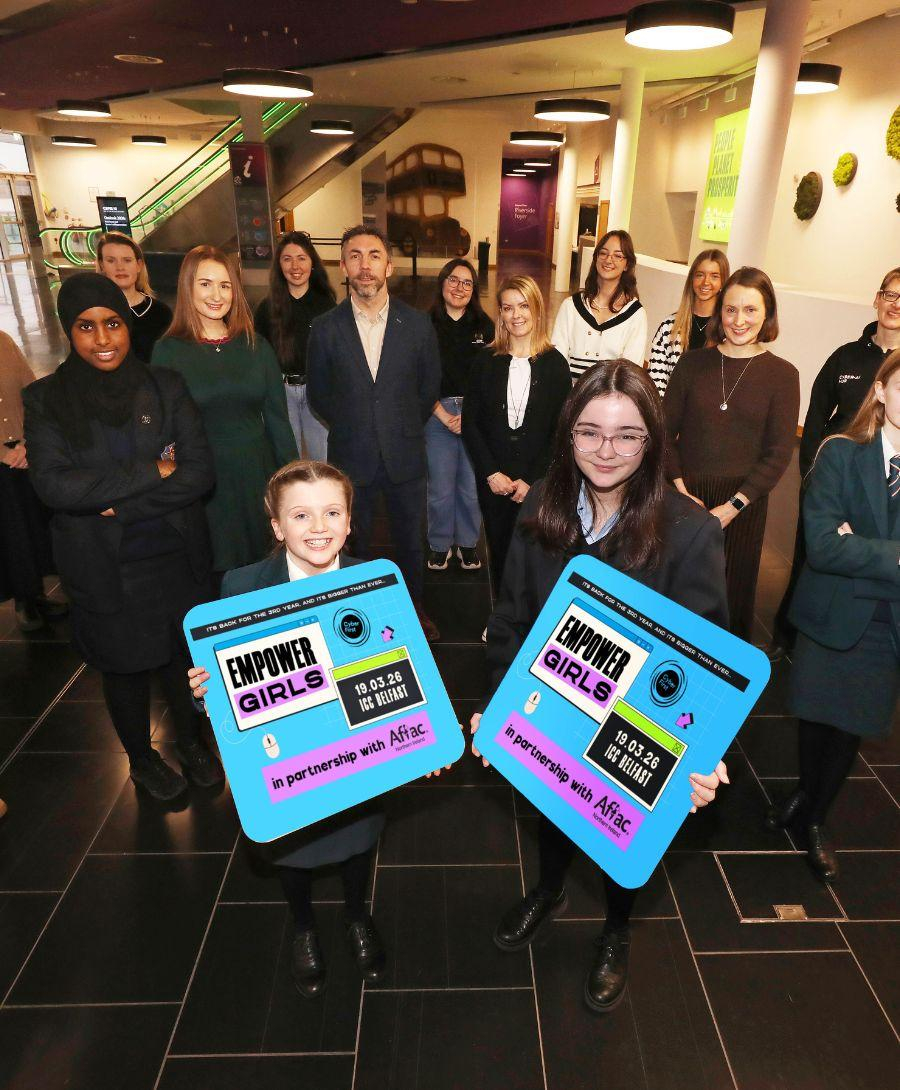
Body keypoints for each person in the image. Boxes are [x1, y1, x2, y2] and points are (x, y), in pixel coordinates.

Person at [470, 360, 729, 1013]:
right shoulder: (538, 507)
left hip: (633, 728)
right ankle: (550, 888)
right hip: (556, 712)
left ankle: (617, 929)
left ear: (652, 441)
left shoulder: (691, 531)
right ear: (568, 435)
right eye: (589, 433)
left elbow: (705, 666)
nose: (606, 452)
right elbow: (511, 622)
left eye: (627, 436)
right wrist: (500, 705)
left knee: (623, 841)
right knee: (555, 812)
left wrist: (704, 755)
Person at [187, 460, 386, 998]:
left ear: (349, 522)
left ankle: (355, 914)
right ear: (276, 526)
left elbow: (400, 673)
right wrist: (206, 693)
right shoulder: (239, 588)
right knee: (292, 850)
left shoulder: (377, 583)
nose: (318, 527)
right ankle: (302, 924)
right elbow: (222, 697)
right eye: (300, 515)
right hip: (284, 760)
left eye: (332, 512)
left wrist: (423, 736)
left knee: (356, 839)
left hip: (356, 751)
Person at [23, 272, 221, 800]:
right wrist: (154, 470)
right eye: (87, 327)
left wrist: (119, 506)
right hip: (102, 566)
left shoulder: (166, 386)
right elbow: (54, 485)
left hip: (175, 554)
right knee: (126, 669)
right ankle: (140, 759)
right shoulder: (44, 401)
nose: (104, 338)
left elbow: (199, 471)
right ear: (70, 332)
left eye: (112, 323)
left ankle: (194, 743)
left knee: (186, 659)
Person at [768, 351, 900, 883]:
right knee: (815, 716)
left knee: (850, 728)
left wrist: (859, 545)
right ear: (883, 390)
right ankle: (804, 791)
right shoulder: (840, 453)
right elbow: (821, 547)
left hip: (886, 624)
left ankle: (817, 818)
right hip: (832, 616)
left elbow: (843, 547)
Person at [307, 225, 441, 641]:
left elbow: (427, 388)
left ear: (389, 264)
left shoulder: (417, 325)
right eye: (355, 256)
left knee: (411, 543)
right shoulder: (325, 328)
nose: (365, 265)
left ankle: (414, 610)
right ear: (343, 265)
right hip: (352, 455)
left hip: (405, 452)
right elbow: (319, 395)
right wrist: (355, 424)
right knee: (354, 544)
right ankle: (358, 621)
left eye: (374, 255)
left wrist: (396, 424)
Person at [769, 266, 900, 658]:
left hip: (884, 487)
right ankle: (787, 634)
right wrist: (813, 478)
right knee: (811, 559)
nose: (896, 304)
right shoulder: (845, 356)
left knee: (866, 559)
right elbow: (815, 422)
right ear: (876, 299)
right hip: (834, 484)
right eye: (890, 294)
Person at [664, 267, 800, 641]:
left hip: (744, 505)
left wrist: (732, 507)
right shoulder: (692, 364)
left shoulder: (783, 375)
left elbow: (776, 454)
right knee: (677, 598)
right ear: (719, 313)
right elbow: (663, 432)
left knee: (730, 599)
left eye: (751, 310)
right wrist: (678, 489)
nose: (739, 320)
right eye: (730, 310)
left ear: (767, 313)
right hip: (685, 497)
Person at [152, 245, 298, 576]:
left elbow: (278, 421)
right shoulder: (168, 351)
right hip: (204, 479)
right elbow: (161, 429)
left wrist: (292, 483)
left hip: (256, 472)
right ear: (188, 287)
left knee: (265, 567)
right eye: (205, 284)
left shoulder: (256, 346)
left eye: (225, 285)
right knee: (216, 570)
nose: (216, 295)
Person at [462, 275, 571, 591]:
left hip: (535, 480)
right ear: (500, 314)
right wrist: (490, 473)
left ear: (537, 309)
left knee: (535, 554)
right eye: (507, 308)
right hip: (494, 479)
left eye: (523, 306)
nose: (516, 315)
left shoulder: (555, 366)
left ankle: (529, 620)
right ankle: (502, 618)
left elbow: (560, 432)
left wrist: (534, 480)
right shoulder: (485, 361)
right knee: (498, 549)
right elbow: (471, 423)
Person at [425, 258, 494, 572]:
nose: (459, 288)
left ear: (474, 290)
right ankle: (439, 544)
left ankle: (467, 544)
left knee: (469, 487)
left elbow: (491, 376)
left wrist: (470, 415)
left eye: (467, 283)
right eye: (453, 280)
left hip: (474, 414)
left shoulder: (485, 326)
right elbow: (416, 377)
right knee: (439, 489)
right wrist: (441, 414)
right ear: (442, 282)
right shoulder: (424, 324)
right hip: (435, 412)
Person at [0, 330, 66, 632]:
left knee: (33, 527)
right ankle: (23, 600)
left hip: (25, 453)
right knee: (10, 534)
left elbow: (31, 390)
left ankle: (37, 593)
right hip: (2, 460)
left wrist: (27, 442)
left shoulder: (4, 339)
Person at [254, 232, 336, 460]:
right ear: (279, 265)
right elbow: (258, 357)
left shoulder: (327, 306)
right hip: (281, 393)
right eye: (287, 259)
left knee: (323, 459)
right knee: (287, 459)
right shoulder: (266, 308)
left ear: (312, 263)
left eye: (301, 258)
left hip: (317, 392)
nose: (295, 266)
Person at [551, 229, 647, 382]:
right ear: (595, 258)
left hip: (611, 402)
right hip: (569, 398)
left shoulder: (635, 314)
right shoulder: (571, 306)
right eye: (603, 253)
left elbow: (630, 374)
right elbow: (556, 361)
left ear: (627, 264)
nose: (608, 260)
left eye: (618, 256)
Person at [647, 249, 729, 396]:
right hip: (670, 412)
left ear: (723, 282)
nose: (706, 282)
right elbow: (656, 382)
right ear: (692, 279)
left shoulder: (727, 331)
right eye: (700, 275)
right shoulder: (669, 326)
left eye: (714, 276)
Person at [96, 232, 172, 363]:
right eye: (111, 260)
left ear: (139, 265)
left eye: (127, 260)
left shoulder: (161, 312)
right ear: (102, 265)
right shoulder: (94, 312)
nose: (120, 267)